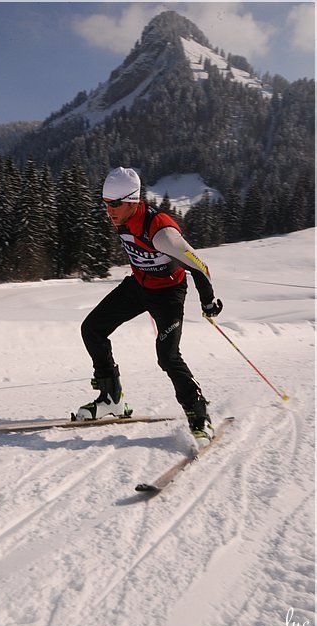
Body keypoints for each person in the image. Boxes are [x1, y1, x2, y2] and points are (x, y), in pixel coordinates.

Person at [75, 167, 223, 443]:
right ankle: (111, 398)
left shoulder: (161, 231)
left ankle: (198, 412)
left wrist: (208, 301)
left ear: (132, 201)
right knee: (92, 329)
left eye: (115, 204)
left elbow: (199, 266)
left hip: (168, 294)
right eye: (105, 203)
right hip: (139, 286)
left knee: (167, 356)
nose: (109, 210)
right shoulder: (122, 217)